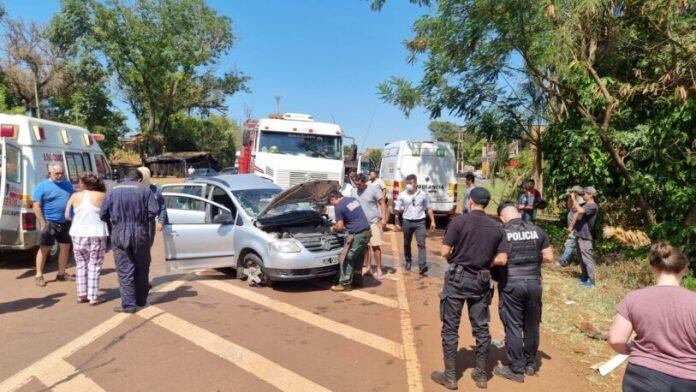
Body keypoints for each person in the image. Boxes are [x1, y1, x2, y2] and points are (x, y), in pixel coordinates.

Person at [431, 187, 508, 390]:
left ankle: (449, 376)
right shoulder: (497, 227)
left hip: (457, 280)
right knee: (482, 329)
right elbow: (502, 258)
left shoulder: (459, 221)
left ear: (471, 201)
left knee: (450, 328)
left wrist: (460, 258)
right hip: (481, 281)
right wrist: (483, 263)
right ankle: (481, 375)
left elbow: (444, 252)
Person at [608, 242, 696, 391]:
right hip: (687, 380)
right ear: (684, 269)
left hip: (641, 376)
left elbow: (615, 339)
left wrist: (630, 351)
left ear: (652, 268)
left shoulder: (635, 297)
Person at [492, 203, 553, 383]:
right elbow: (549, 257)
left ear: (502, 218)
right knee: (532, 325)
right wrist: (532, 257)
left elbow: (498, 259)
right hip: (534, 283)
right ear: (518, 214)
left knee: (513, 325)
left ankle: (516, 369)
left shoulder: (501, 232)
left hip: (511, 284)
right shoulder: (537, 230)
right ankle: (530, 364)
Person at [101, 169, 159, 313]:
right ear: (139, 179)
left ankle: (128, 305)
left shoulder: (112, 190)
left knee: (124, 269)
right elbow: (154, 210)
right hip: (140, 232)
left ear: (124, 177)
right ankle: (141, 300)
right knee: (142, 267)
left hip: (119, 232)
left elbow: (103, 214)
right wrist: (141, 220)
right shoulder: (145, 190)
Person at [64, 173, 109, 305]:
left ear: (83, 184)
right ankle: (93, 296)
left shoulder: (74, 196)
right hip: (97, 232)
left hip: (78, 233)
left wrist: (77, 220)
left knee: (81, 264)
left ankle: (81, 294)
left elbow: (67, 215)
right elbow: (109, 214)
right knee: (94, 265)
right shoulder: (102, 196)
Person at [32, 162, 74, 287]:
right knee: (45, 248)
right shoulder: (42, 186)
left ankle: (61, 274)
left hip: (65, 222)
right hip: (50, 222)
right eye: (57, 173)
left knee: (65, 247)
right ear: (49, 173)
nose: (60, 175)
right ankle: (39, 275)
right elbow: (36, 206)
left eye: (62, 173)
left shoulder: (67, 184)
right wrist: (43, 223)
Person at [328, 190, 371, 292]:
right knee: (358, 256)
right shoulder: (352, 199)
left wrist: (332, 229)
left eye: (331, 202)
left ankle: (345, 284)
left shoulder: (338, 206)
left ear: (334, 198)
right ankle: (357, 280)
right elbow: (353, 215)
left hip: (358, 234)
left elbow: (340, 226)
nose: (332, 204)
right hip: (367, 232)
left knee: (348, 256)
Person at [395, 174, 436, 275]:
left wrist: (433, 221)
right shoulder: (402, 194)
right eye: (407, 183)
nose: (408, 185)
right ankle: (408, 261)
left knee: (421, 244)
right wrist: (397, 221)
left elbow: (429, 208)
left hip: (420, 222)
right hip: (407, 221)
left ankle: (422, 266)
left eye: (410, 183)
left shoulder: (423, 194)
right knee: (406, 243)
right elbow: (397, 210)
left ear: (416, 183)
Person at [351, 173, 387, 278]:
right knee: (365, 247)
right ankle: (368, 268)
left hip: (373, 222)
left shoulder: (374, 189)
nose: (358, 186)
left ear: (365, 182)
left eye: (360, 184)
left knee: (375, 246)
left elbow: (382, 203)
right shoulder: (354, 191)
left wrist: (384, 218)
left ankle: (379, 269)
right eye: (356, 184)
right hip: (360, 224)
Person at [572, 186, 599, 287]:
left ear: (591, 195)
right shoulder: (585, 204)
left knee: (587, 258)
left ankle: (591, 282)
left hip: (586, 236)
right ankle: (584, 277)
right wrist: (573, 198)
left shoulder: (592, 206)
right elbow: (574, 208)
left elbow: (580, 211)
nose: (583, 195)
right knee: (581, 258)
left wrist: (575, 199)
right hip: (579, 233)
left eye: (585, 194)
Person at [137, 166, 167, 248]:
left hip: (150, 223)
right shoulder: (134, 190)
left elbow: (162, 207)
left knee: (148, 246)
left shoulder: (156, 190)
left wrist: (161, 222)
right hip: (137, 222)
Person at [556, 186, 585, 267]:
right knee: (576, 245)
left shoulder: (581, 201)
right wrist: (570, 198)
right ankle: (578, 261)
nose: (571, 193)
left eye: (572, 192)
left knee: (569, 243)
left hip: (577, 227)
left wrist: (571, 226)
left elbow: (577, 214)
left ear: (576, 192)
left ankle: (563, 261)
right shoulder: (575, 199)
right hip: (574, 227)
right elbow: (570, 208)